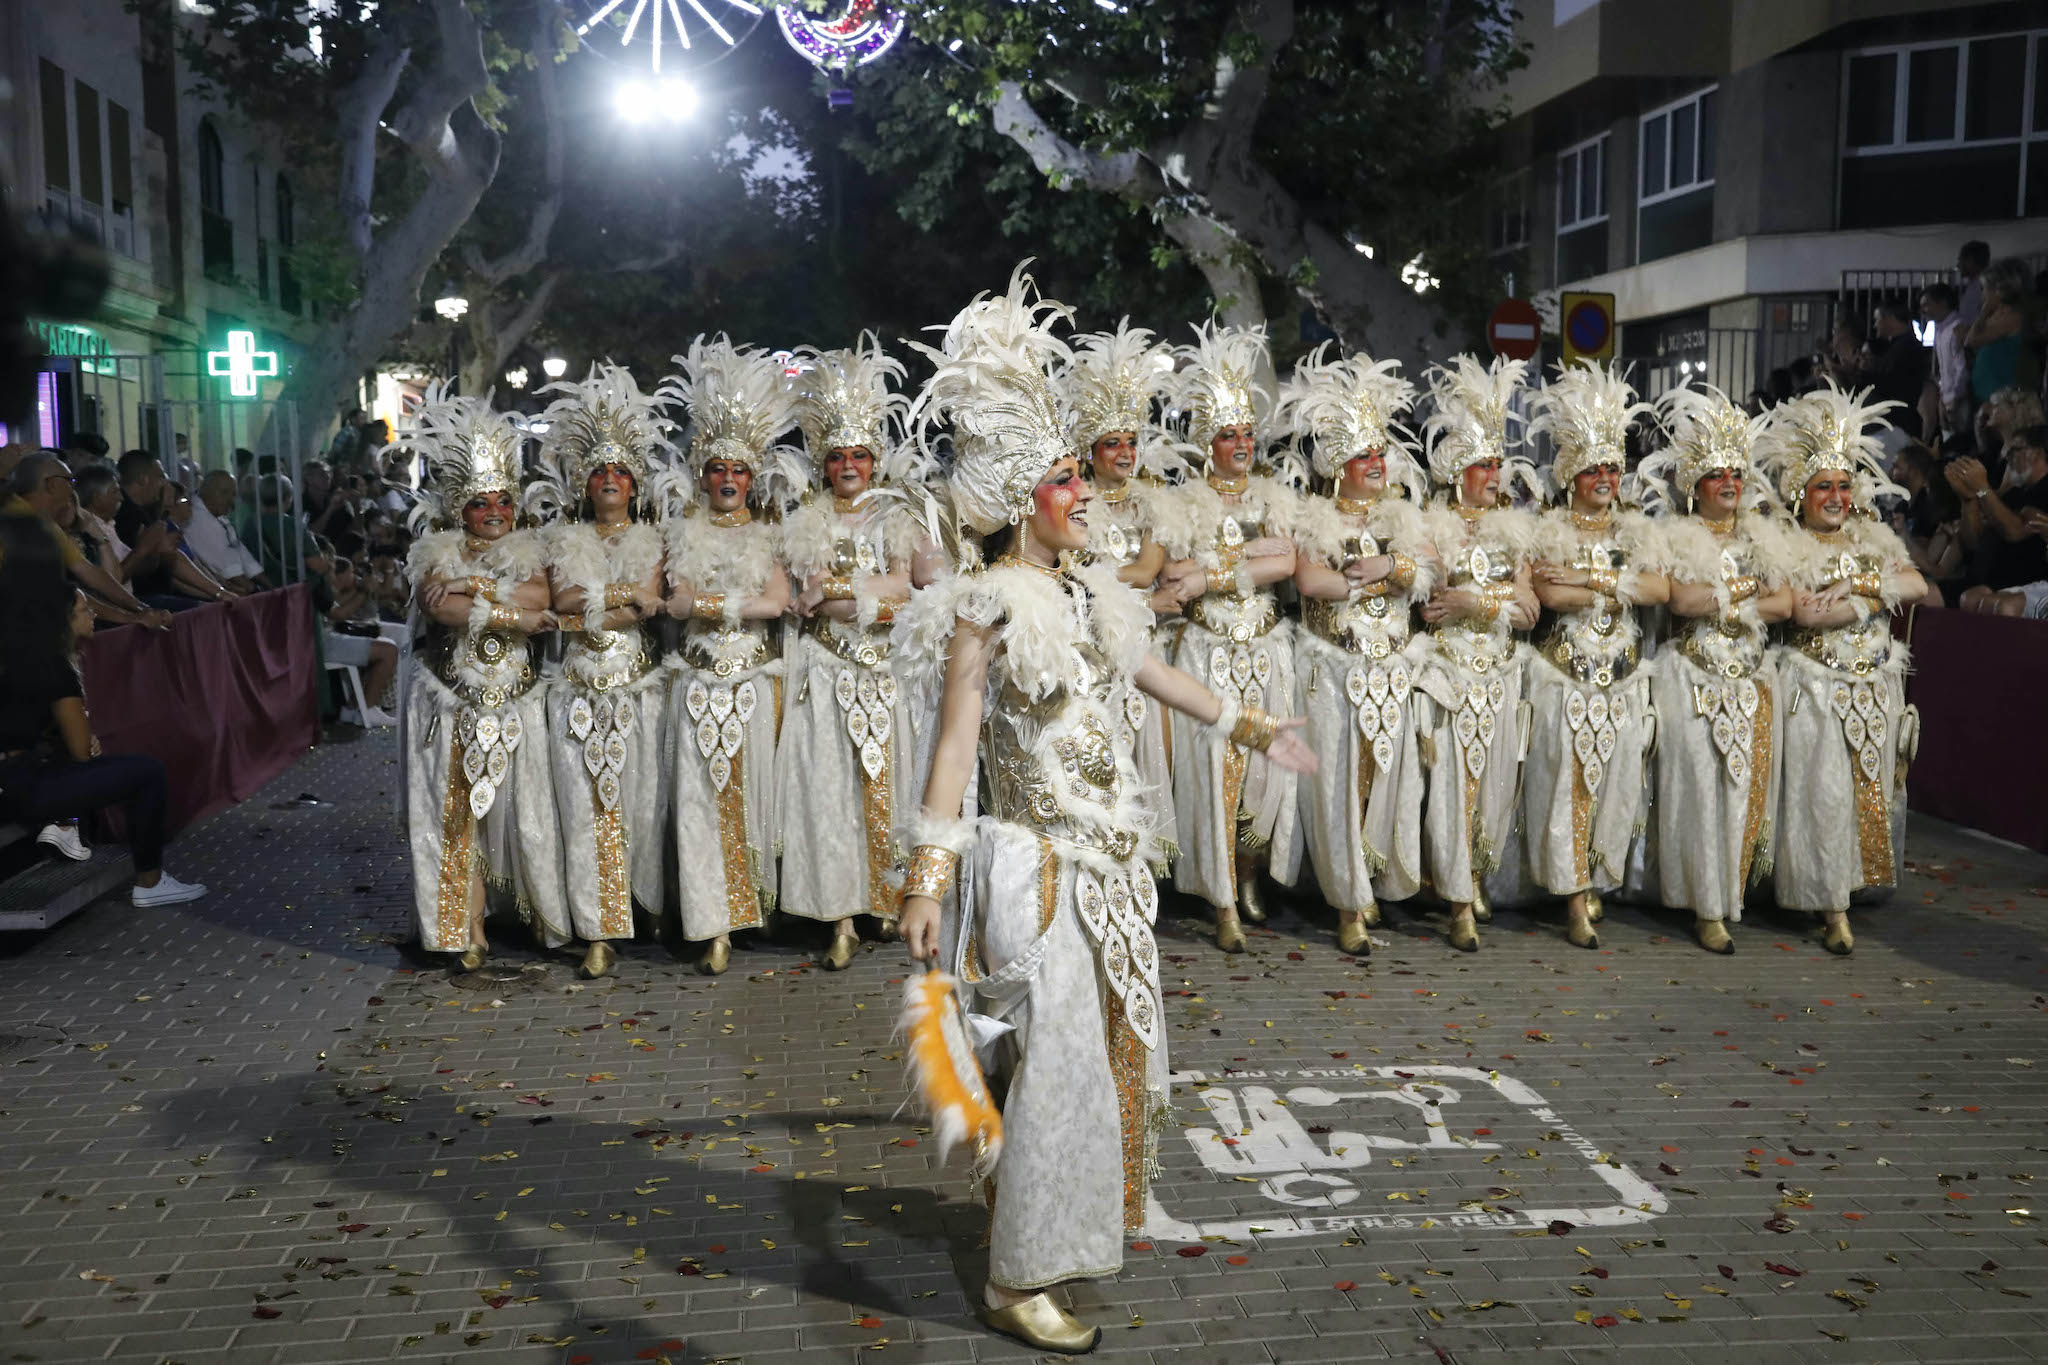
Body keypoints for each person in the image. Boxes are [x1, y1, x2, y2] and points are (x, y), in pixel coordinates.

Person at [895, 265, 1315, 1354]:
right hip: (1031, 872)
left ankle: (1054, 1238)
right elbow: (952, 748)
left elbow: (1152, 678)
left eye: (1080, 474)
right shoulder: (983, 607)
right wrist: (926, 879)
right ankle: (1015, 1279)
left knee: (1095, 1064)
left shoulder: (1092, 592)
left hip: (1113, 869)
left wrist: (1253, 726)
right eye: (1062, 481)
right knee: (1046, 1068)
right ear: (1012, 501)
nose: (1083, 493)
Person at [779, 334, 939, 969]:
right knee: (830, 794)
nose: (849, 465)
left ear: (875, 461)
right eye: (838, 455)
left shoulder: (899, 518)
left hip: (887, 675)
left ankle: (887, 902)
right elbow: (805, 600)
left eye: (860, 455)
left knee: (892, 786)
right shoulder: (804, 522)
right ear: (824, 462)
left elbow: (912, 589)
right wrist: (861, 594)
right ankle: (840, 917)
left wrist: (840, 588)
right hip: (825, 673)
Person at [402, 388, 568, 971]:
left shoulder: (533, 547)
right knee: (455, 815)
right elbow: (439, 612)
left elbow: (541, 595)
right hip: (453, 702)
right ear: (459, 509)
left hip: (518, 699)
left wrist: (479, 589)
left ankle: (532, 915)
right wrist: (516, 617)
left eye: (502, 500)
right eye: (480, 503)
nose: (493, 511)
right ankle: (463, 925)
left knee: (526, 814)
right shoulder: (435, 551)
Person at [1279, 346, 1438, 953]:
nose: (1376, 463)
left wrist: (1387, 562)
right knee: (1340, 783)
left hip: (1393, 668)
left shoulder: (1404, 514)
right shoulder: (1314, 516)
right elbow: (1309, 581)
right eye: (1364, 454)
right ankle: (1346, 905)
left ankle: (1373, 887)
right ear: (1339, 462)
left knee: (1388, 782)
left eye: (1380, 453)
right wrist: (1382, 573)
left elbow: (1430, 569)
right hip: (1334, 666)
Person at [1151, 322, 1304, 950]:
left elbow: (1287, 564)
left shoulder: (1272, 494)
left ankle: (1247, 876)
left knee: (1266, 774)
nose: (1241, 444)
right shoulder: (1182, 501)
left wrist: (1211, 569)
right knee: (1215, 772)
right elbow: (1170, 573)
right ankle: (1219, 900)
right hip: (1207, 653)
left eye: (1247, 433)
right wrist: (1246, 562)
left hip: (1266, 650)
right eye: (1228, 435)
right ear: (1207, 442)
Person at [1762, 384, 1927, 955]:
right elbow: (1800, 611)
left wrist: (1862, 587)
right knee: (1823, 795)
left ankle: (1847, 891)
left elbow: (1917, 584)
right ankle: (1829, 907)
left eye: (1841, 485)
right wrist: (1848, 604)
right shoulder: (1782, 542)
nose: (1834, 496)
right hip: (1812, 685)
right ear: (1799, 493)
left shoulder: (1872, 537)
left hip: (1874, 685)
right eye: (1822, 486)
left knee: (1865, 794)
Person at [660, 338, 799, 975]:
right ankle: (709, 923)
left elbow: (778, 604)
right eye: (717, 469)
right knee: (696, 807)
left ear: (752, 477)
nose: (727, 480)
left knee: (751, 801)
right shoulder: (678, 533)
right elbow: (677, 603)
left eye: (738, 471)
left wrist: (714, 601)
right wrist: (735, 600)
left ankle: (749, 913)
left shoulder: (771, 535)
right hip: (693, 685)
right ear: (702, 474)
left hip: (753, 684)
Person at [1640, 386, 1797, 953]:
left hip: (1752, 678)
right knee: (1699, 790)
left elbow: (1785, 605)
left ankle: (1729, 895)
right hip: (1692, 677)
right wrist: (1746, 593)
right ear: (1694, 486)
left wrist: (1727, 596)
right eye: (1716, 475)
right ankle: (1705, 907)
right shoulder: (1671, 535)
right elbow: (1680, 602)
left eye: (1737, 472)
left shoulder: (1761, 534)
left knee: (1742, 788)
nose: (1730, 483)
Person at [534, 363, 677, 980]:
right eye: (600, 471)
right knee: (584, 808)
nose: (610, 480)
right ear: (584, 482)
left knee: (642, 808)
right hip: (575, 693)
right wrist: (615, 597)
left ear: (635, 482)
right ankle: (597, 930)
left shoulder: (653, 537)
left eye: (621, 471)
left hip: (640, 693)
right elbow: (562, 602)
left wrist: (601, 598)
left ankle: (643, 913)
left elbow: (646, 602)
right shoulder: (564, 537)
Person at [1522, 362, 1669, 949]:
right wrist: (1617, 580)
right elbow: (1550, 594)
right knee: (1568, 785)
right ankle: (1573, 896)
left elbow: (1658, 590)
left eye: (1613, 466)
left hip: (1626, 677)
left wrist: (1596, 577)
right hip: (1566, 676)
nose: (1607, 476)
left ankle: (1597, 881)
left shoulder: (1636, 529)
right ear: (1571, 473)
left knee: (1615, 786)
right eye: (1594, 468)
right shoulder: (1547, 526)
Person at [0, 518, 206, 906]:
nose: (92, 615)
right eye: (83, 609)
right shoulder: (55, 665)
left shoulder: (22, 656)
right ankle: (150, 881)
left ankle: (67, 827)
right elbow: (81, 751)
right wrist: (85, 738)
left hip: (14, 776)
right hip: (20, 784)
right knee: (146, 772)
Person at [1414, 355, 1541, 951]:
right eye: (1483, 465)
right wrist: (1485, 600)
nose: (1494, 475)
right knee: (1447, 788)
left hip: (1502, 674)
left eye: (1498, 463)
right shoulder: (1428, 527)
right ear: (1457, 470)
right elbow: (1430, 602)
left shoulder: (1513, 530)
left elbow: (1531, 611)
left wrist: (1474, 601)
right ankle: (1458, 901)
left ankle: (1473, 877)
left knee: (1492, 790)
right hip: (1446, 675)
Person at [1063, 320, 1184, 871]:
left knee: (1147, 757)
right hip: (1090, 650)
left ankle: (1142, 878)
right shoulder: (1075, 501)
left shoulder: (1152, 502)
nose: (1126, 452)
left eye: (1132, 441)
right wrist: (1128, 584)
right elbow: (1077, 571)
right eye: (1113, 443)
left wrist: (1113, 577)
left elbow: (1146, 567)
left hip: (1142, 647)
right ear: (1090, 451)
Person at [4, 451, 169, 628]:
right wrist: (130, 618)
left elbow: (89, 571)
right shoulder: (13, 519)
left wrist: (141, 608)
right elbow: (59, 589)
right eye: (70, 481)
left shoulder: (43, 522)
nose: (73, 490)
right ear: (52, 484)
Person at [113, 449, 230, 608]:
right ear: (143, 479)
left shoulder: (143, 511)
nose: (164, 483)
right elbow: (157, 563)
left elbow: (173, 560)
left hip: (158, 594)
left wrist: (218, 593)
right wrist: (218, 593)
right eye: (161, 477)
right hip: (138, 599)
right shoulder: (125, 514)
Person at [1954, 423, 2048, 616]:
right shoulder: (2015, 493)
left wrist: (1982, 488)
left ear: (2036, 453)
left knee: (2002, 607)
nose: (2007, 456)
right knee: (1968, 598)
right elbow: (1973, 542)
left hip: (2029, 579)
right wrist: (1968, 499)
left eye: (2015, 450)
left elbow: (2014, 531)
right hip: (1998, 579)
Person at [323, 556, 399, 725]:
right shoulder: (319, 584)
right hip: (323, 641)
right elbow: (339, 613)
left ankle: (352, 708)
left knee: (382, 646)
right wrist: (363, 591)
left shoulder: (326, 586)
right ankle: (370, 708)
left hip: (328, 636)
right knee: (389, 651)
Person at [184, 470, 266, 591]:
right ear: (206, 490)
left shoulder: (218, 516)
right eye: (224, 492)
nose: (231, 500)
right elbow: (230, 571)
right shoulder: (196, 518)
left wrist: (271, 587)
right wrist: (254, 590)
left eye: (233, 494)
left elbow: (243, 556)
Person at [1966, 258, 2029, 405]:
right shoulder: (1997, 315)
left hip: (2000, 395)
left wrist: (1985, 309)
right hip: (1988, 393)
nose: (1982, 294)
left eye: (1985, 289)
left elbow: (1971, 340)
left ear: (1999, 290)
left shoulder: (2012, 316)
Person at [1920, 282, 1967, 441]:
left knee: (1959, 444)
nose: (1923, 310)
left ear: (1943, 303)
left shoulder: (1957, 328)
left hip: (1959, 399)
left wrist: (1954, 397)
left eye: (1927, 304)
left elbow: (1962, 368)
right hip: (1948, 398)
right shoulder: (1941, 330)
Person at [1955, 239, 1989, 330]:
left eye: (1960, 260)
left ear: (1970, 260)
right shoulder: (1972, 285)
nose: (1958, 265)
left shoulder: (1985, 286)